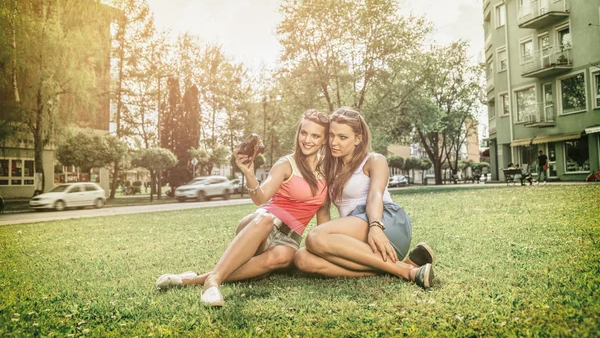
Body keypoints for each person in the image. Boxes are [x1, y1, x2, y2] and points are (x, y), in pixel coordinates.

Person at [155, 109, 331, 306]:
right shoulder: (286, 164)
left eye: (315, 136)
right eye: (304, 133)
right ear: (298, 132)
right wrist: (249, 173)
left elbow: (323, 215)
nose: (307, 140)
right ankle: (212, 283)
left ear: (324, 140)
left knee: (283, 256)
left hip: (289, 241)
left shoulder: (328, 172)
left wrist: (322, 249)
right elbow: (260, 198)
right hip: (261, 226)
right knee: (265, 218)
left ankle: (192, 279)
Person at [294, 107, 435, 289]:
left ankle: (408, 273)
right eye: (331, 135)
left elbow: (375, 195)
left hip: (384, 222)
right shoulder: (326, 167)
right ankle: (397, 267)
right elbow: (323, 211)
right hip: (359, 242)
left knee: (314, 236)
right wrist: (323, 248)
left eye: (343, 137)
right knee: (303, 258)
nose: (334, 142)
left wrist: (375, 226)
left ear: (358, 139)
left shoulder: (374, 160)